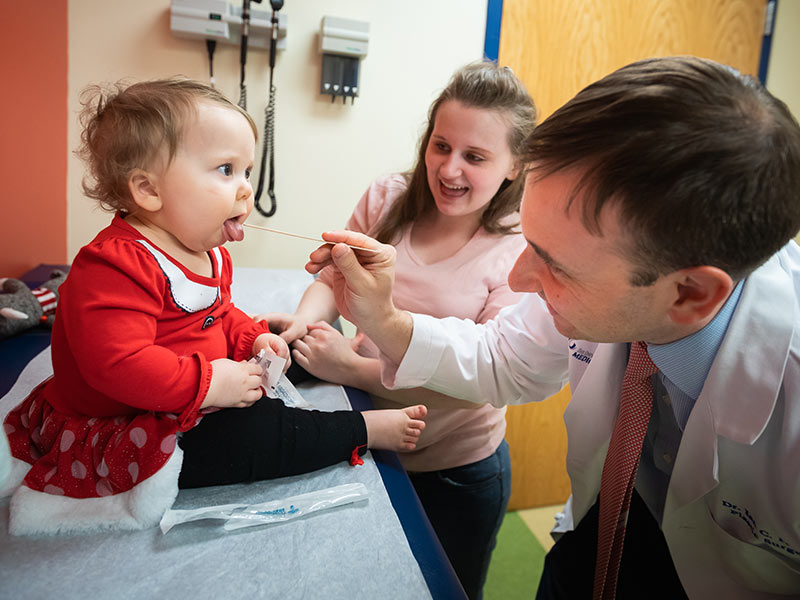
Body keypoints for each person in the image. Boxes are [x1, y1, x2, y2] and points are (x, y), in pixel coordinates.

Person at [304, 56, 800, 599]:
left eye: (554, 263)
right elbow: (501, 359)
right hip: (597, 533)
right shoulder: (615, 281)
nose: (518, 277)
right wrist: (384, 318)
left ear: (690, 294)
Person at [1, 78, 426, 536]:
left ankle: (314, 362)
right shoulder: (113, 266)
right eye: (226, 169)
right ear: (148, 190)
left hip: (186, 382)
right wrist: (209, 384)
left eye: (246, 171)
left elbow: (219, 314)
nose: (245, 189)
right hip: (127, 420)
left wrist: (252, 338)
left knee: (282, 345)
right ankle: (357, 430)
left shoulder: (208, 250)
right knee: (256, 437)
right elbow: (117, 365)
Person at [255, 62, 536, 598]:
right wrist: (306, 323)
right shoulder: (387, 197)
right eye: (441, 145)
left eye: (475, 157)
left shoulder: (518, 252)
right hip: (368, 435)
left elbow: (475, 382)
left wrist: (350, 367)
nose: (449, 169)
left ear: (514, 166)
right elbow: (334, 278)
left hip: (456, 468)